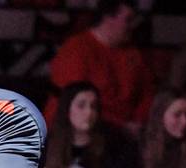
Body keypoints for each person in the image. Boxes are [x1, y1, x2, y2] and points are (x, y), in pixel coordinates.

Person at [44, 0, 154, 135]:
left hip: (125, 134)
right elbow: (74, 102)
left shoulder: (132, 54)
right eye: (128, 19)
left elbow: (147, 92)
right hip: (78, 132)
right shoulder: (76, 50)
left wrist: (138, 121)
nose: (132, 26)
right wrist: (121, 126)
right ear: (108, 18)